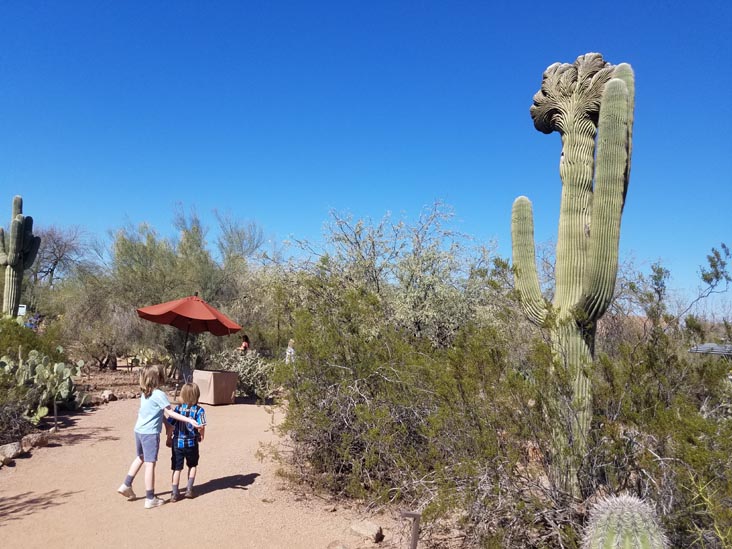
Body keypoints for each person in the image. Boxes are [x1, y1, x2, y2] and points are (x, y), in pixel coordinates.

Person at [117, 364, 202, 509]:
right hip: (150, 434)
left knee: (141, 457)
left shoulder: (145, 393)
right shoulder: (159, 394)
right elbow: (170, 413)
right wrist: (189, 420)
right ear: (158, 378)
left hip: (139, 430)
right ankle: (150, 498)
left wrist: (167, 425)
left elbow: (156, 412)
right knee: (150, 463)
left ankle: (126, 484)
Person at [166, 382, 207, 501]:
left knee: (177, 468)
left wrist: (168, 438)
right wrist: (201, 436)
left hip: (177, 443)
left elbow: (170, 425)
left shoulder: (177, 409)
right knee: (192, 465)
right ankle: (189, 489)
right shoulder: (199, 411)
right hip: (192, 443)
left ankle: (174, 493)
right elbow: (202, 426)